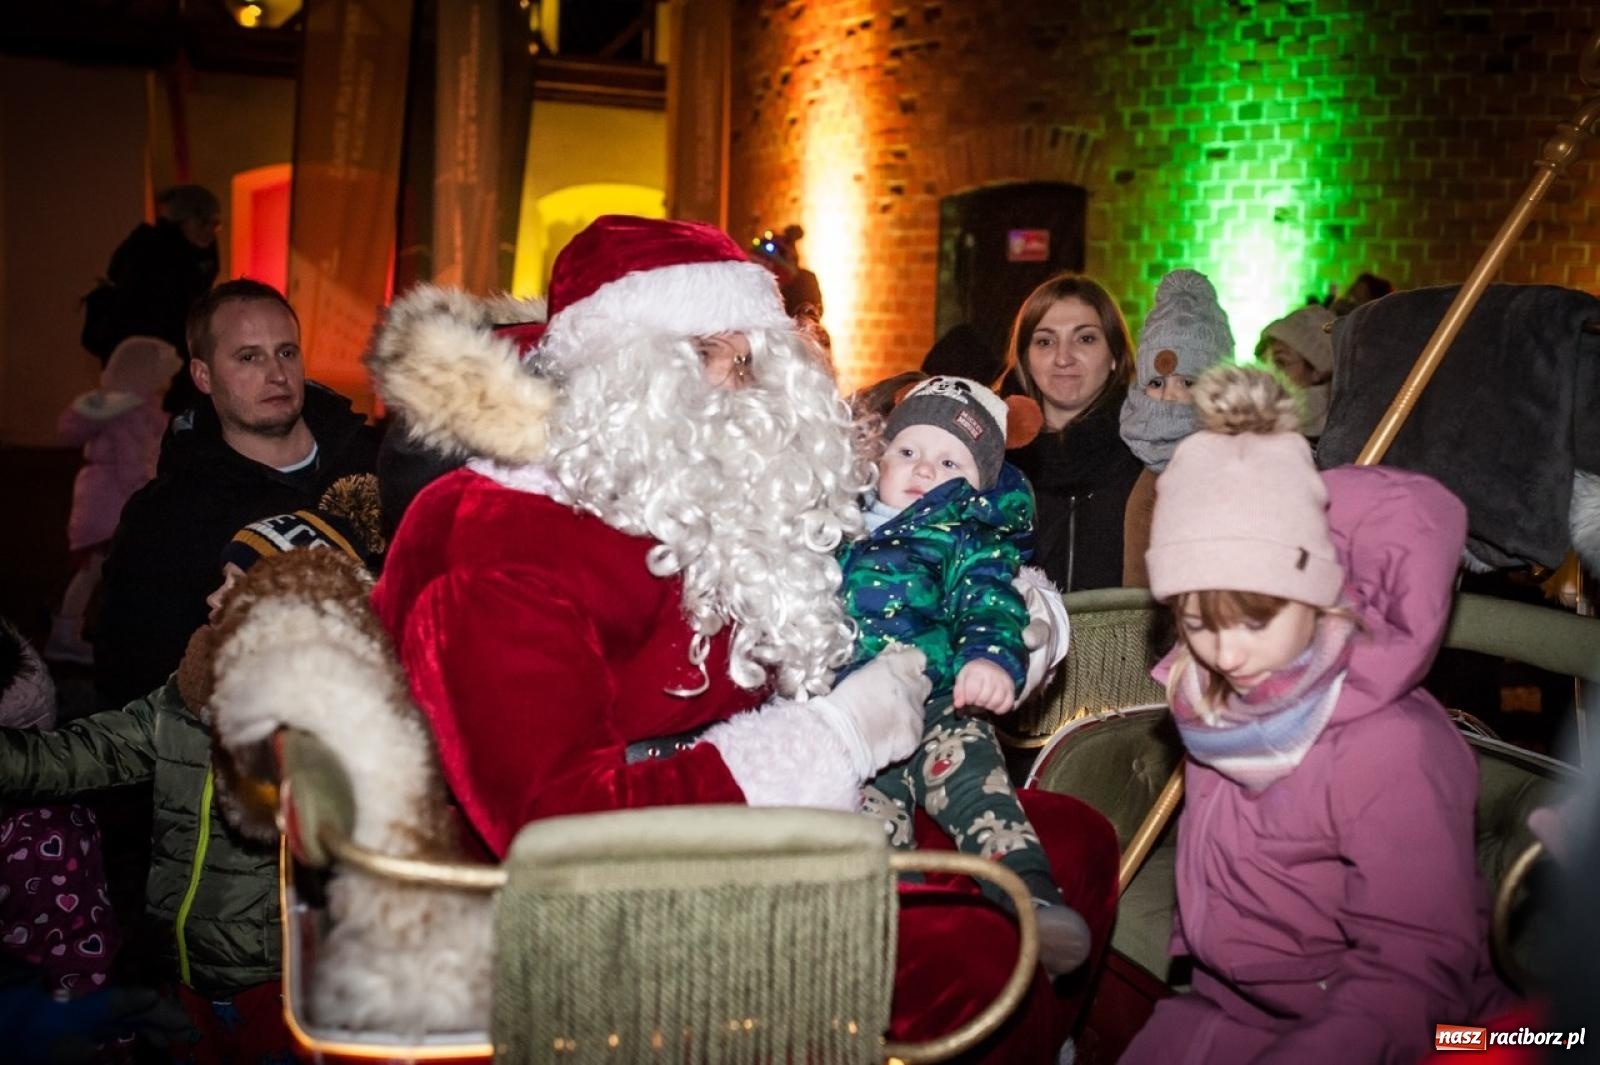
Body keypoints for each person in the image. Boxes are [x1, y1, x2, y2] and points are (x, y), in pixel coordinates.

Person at [369, 215, 1119, 1060]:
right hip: (616, 901)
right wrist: (834, 736)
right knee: (976, 953)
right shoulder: (505, 533)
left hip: (789, 817)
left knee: (1076, 843)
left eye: (752, 357)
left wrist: (1014, 616)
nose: (746, 387)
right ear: (620, 371)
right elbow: (558, 833)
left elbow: (867, 576)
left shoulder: (700, 487)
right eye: (712, 356)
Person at [1120, 365, 1515, 1064]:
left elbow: (1414, 964)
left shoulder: (1390, 747)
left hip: (1366, 1026)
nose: (1227, 653)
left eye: (1257, 621)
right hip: (1230, 998)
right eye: (1197, 622)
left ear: (1318, 595)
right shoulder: (1211, 695)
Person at [0, 491, 380, 1065]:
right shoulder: (187, 696)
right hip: (182, 974)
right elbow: (84, 753)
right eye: (221, 579)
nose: (213, 597)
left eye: (237, 585)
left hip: (280, 989)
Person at [847, 375, 1087, 976]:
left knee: (976, 785)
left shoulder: (965, 540)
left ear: (980, 485)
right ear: (877, 458)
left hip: (939, 698)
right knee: (866, 822)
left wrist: (990, 660)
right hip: (856, 711)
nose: (924, 468)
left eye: (950, 462)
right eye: (907, 450)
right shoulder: (837, 529)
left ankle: (1030, 896)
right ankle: (894, 929)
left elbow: (990, 603)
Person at [93, 279, 379, 709]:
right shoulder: (167, 517)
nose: (277, 374)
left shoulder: (375, 459)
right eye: (249, 357)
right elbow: (132, 676)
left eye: (287, 352)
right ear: (203, 376)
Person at [47, 337, 183, 666]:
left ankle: (74, 634)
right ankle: (68, 637)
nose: (168, 379)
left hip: (103, 502)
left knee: (97, 572)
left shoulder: (128, 407)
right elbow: (133, 464)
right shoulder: (133, 413)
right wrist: (150, 492)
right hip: (114, 506)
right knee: (100, 571)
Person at [1004, 273, 1142, 592]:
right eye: (1045, 341)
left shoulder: (1149, 455)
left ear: (1114, 355)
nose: (1063, 358)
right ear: (1025, 358)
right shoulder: (992, 458)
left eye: (1085, 339)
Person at [1118, 269, 1234, 586]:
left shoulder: (1243, 468)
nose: (1170, 397)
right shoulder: (1129, 466)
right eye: (1157, 383)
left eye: (1188, 382)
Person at [89, 186, 223, 413]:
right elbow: (139, 315)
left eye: (215, 224)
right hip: (147, 363)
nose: (210, 231)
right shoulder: (148, 253)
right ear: (182, 221)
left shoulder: (198, 255)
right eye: (204, 222)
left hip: (174, 361)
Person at [1261, 303, 1335, 438]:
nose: (1268, 371)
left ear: (1317, 372)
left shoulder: (1330, 436)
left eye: (1281, 363)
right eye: (1264, 361)